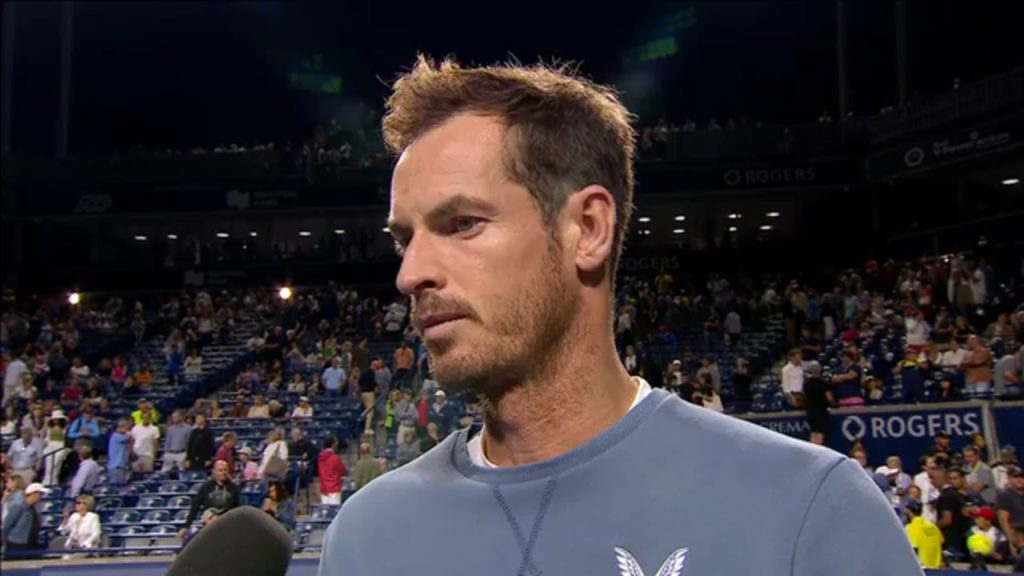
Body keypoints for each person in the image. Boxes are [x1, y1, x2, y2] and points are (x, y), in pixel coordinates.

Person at [318, 56, 921, 576]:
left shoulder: (807, 508)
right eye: (405, 239)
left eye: (463, 224)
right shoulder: (368, 536)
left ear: (588, 229)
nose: (410, 273)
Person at [178, 459, 240, 539]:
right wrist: (186, 527)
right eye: (220, 470)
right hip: (208, 519)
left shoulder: (233, 488)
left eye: (225, 470)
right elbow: (195, 507)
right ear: (214, 471)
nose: (223, 473)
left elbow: (237, 508)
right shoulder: (206, 487)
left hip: (226, 520)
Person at [3, 482, 48, 553]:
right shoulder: (19, 506)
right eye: (40, 494)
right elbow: (7, 525)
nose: (41, 497)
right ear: (33, 494)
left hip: (30, 544)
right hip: (16, 545)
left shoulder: (35, 509)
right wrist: (4, 542)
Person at [905, 500, 943, 569]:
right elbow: (941, 542)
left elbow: (912, 549)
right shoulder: (933, 527)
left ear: (909, 512)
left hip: (921, 569)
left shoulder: (910, 528)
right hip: (936, 568)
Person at [801, 361, 832, 445]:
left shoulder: (806, 383)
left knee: (813, 432)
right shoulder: (823, 383)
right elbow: (829, 398)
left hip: (810, 411)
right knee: (820, 432)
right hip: (821, 410)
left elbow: (804, 396)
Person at [317, 435, 347, 506]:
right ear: (333, 444)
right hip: (334, 489)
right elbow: (343, 471)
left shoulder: (320, 458)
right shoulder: (335, 458)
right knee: (334, 513)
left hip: (324, 489)